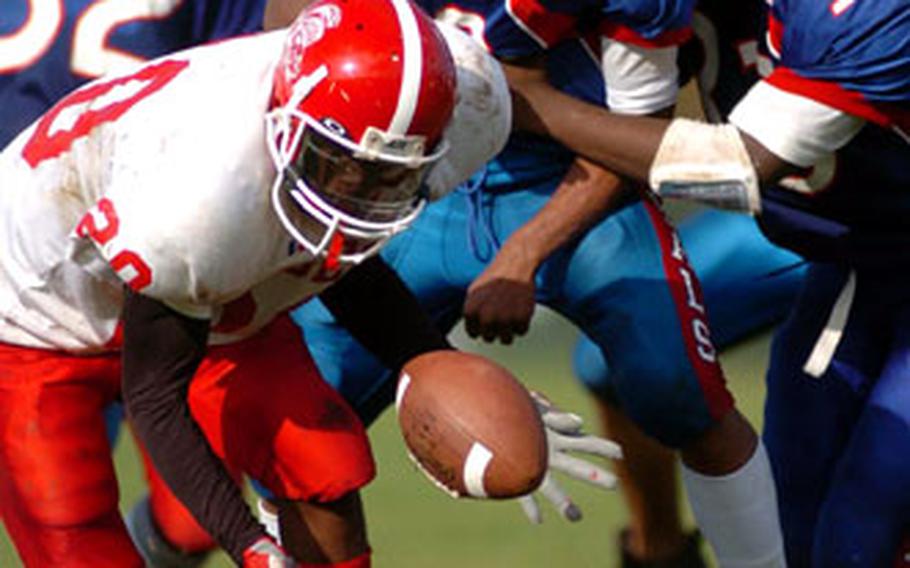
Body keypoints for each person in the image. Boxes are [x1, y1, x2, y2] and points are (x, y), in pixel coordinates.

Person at [0, 0, 513, 565]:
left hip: (212, 295)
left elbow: (336, 252)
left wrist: (435, 364)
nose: (360, 188)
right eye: (338, 160)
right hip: (30, 311)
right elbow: (155, 397)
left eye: (391, 173)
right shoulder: (205, 188)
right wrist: (252, 545)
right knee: (76, 533)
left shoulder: (468, 99)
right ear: (286, 119)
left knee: (325, 468)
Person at [287, 1, 788, 567]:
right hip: (417, 177)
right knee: (301, 410)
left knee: (681, 390)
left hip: (570, 179)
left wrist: (525, 250)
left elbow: (643, 135)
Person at [505, 0, 910, 564]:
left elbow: (734, 163)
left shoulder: (859, 13)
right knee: (793, 511)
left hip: (847, 238)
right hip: (855, 255)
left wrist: (531, 105)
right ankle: (660, 549)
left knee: (865, 517)